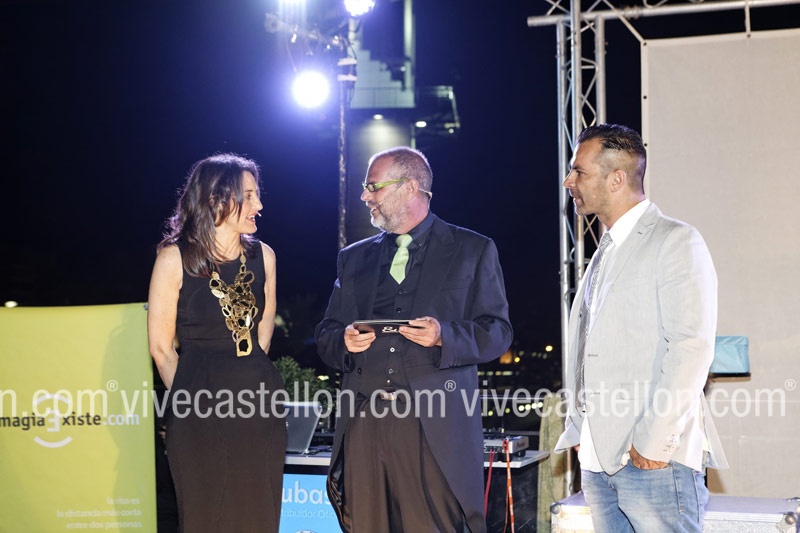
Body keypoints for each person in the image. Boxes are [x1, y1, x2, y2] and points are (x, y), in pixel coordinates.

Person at [315, 146, 513, 532]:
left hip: (434, 429)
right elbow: (326, 332)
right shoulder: (353, 258)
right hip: (364, 425)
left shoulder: (472, 249)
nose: (365, 196)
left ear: (408, 187)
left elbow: (498, 331)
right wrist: (343, 341)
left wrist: (444, 335)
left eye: (373, 186)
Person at [554, 124, 728, 532]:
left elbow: (690, 348)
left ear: (616, 179)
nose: (568, 181)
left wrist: (654, 442)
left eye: (579, 171)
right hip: (599, 460)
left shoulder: (675, 240)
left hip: (652, 460)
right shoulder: (605, 251)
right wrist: (582, 430)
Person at [147, 153, 286, 532]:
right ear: (216, 199)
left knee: (257, 510)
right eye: (249, 195)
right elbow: (161, 348)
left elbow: (262, 336)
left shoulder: (265, 256)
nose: (259, 205)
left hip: (257, 402)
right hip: (197, 404)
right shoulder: (173, 259)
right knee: (205, 514)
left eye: (258, 194)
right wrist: (192, 398)